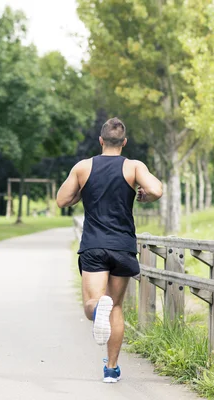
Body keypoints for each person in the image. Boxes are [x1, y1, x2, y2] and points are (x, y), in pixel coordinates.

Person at [56, 117, 163, 383]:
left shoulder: (83, 167)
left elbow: (62, 200)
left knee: (93, 303)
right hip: (123, 246)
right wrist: (144, 195)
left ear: (101, 141)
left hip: (94, 244)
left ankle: (96, 311)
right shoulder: (133, 166)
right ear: (124, 143)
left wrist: (82, 190)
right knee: (115, 306)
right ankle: (112, 369)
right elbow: (157, 190)